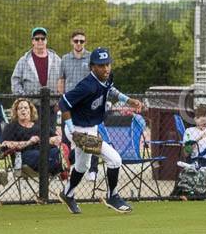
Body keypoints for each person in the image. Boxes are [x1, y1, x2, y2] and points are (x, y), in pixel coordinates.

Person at [57, 47, 143, 213]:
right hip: (78, 130)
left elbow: (110, 90)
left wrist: (128, 100)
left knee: (82, 166)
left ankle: (67, 193)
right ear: (92, 67)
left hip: (90, 128)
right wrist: (72, 131)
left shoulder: (106, 77)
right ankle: (113, 196)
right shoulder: (86, 86)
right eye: (101, 65)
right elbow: (64, 104)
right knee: (115, 160)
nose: (105, 68)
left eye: (107, 64)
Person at [0, 97, 65, 175]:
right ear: (16, 112)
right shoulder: (11, 126)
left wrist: (48, 140)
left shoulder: (40, 125)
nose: (23, 110)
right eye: (20, 108)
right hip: (25, 156)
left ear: (30, 111)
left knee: (57, 151)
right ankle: (59, 166)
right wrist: (29, 142)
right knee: (40, 155)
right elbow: (5, 144)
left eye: (26, 108)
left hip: (46, 151)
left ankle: (58, 163)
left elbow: (56, 137)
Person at [11, 27, 62, 95]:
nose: (40, 41)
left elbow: (64, 80)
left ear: (46, 41)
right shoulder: (23, 61)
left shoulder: (57, 60)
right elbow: (15, 81)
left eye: (43, 39)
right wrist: (24, 100)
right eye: (37, 39)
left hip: (54, 103)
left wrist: (60, 101)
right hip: (30, 103)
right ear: (33, 41)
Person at [57, 29, 90, 94]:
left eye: (81, 41)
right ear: (71, 42)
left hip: (87, 97)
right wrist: (62, 98)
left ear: (85, 42)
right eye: (76, 41)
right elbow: (61, 80)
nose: (78, 43)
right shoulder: (65, 58)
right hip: (70, 98)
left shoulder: (91, 57)